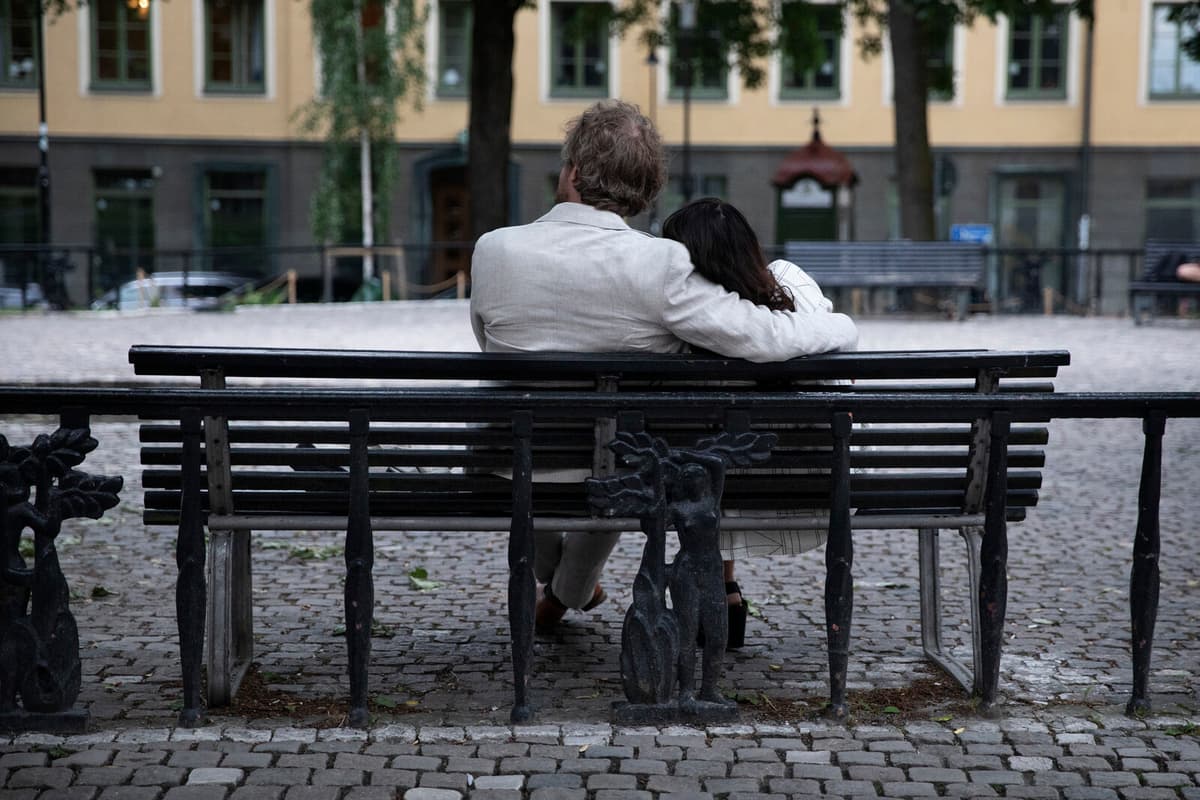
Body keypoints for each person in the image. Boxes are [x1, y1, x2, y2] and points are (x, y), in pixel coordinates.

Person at [470, 99, 858, 632]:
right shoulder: (662, 263)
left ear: (574, 172)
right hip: (613, 464)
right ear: (646, 190)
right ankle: (567, 591)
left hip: (508, 459)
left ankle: (564, 591)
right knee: (613, 447)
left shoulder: (492, 250)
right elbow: (762, 337)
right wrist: (841, 326)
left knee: (556, 447)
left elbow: (491, 350)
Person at [661, 197, 836, 648]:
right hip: (813, 489)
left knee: (702, 455)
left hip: (717, 490)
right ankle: (724, 589)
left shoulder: (684, 317)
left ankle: (715, 590)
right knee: (725, 448)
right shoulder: (793, 283)